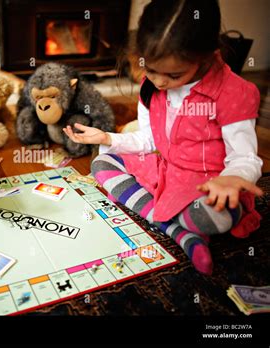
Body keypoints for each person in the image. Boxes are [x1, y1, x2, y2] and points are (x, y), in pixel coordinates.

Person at [63, 0, 263, 274]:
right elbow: (149, 140)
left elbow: (245, 157)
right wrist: (107, 138)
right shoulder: (151, 87)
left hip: (209, 184)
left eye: (173, 74)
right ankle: (178, 231)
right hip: (166, 172)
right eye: (151, 70)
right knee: (102, 162)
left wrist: (233, 179)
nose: (158, 82)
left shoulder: (235, 93)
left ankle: (176, 221)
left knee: (215, 217)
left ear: (205, 55)